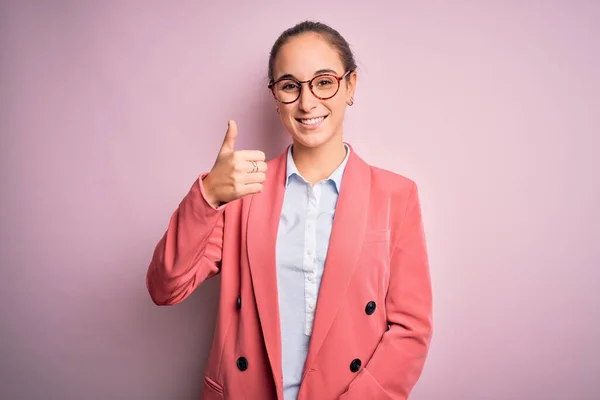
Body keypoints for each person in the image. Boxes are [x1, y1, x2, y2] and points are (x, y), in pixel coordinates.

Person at [146, 20, 433, 400]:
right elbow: (166, 287)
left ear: (350, 86)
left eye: (324, 81)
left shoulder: (396, 195)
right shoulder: (243, 192)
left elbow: (411, 328)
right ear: (275, 97)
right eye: (290, 86)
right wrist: (209, 195)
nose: (307, 101)